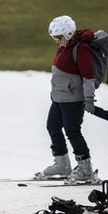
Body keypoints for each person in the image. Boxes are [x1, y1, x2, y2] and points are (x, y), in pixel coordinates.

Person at [36, 15, 99, 183]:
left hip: (73, 99)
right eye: (55, 38)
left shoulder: (81, 49)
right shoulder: (64, 47)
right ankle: (62, 164)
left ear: (69, 33)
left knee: (72, 130)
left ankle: (85, 168)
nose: (57, 40)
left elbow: (88, 76)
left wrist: (89, 99)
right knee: (53, 127)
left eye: (59, 37)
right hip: (58, 97)